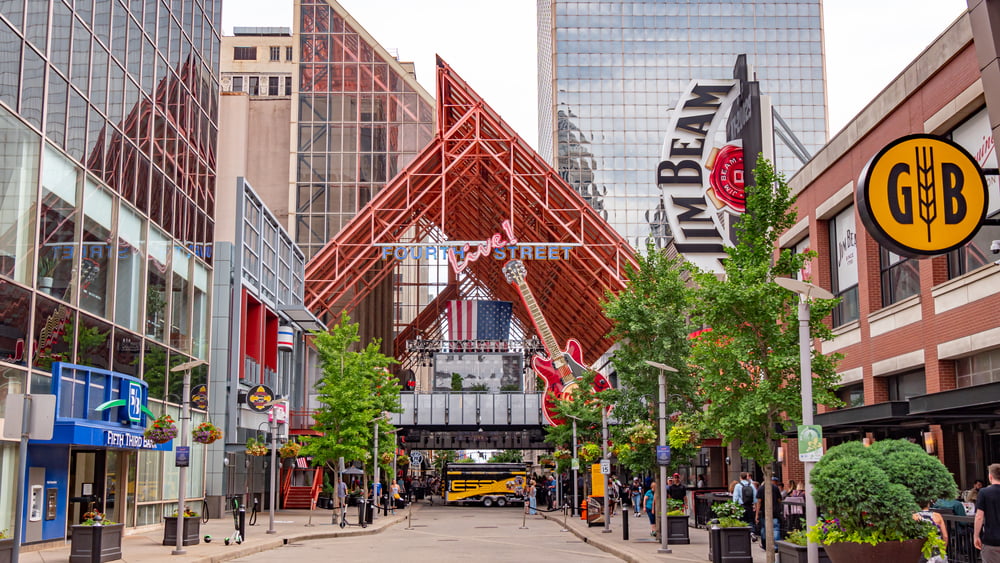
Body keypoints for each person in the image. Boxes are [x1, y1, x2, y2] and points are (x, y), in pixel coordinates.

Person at [976, 464, 1000, 562]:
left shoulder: (984, 492)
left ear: (990, 476)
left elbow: (979, 517)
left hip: (991, 540)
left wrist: (976, 536)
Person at [755, 476, 782, 552]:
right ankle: (776, 546)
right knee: (776, 529)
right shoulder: (775, 488)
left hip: (764, 512)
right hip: (775, 512)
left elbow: (759, 502)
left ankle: (765, 545)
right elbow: (779, 500)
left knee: (764, 529)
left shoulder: (761, 488)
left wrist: (757, 514)